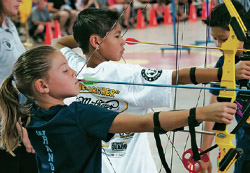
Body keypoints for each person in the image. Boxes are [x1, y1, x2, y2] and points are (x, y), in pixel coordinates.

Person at [52, 8, 250, 173]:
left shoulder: (73, 66)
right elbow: (178, 76)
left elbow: (58, 43)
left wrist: (86, 38)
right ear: (96, 41)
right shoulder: (125, 74)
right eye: (117, 35)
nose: (124, 41)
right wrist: (224, 72)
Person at [0, 45, 240, 172]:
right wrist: (201, 113)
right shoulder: (78, 114)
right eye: (65, 70)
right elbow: (147, 123)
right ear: (42, 86)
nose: (74, 71)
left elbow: (61, 43)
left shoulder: (29, 111)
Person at [200, 1, 250, 173]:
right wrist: (204, 153)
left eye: (224, 39)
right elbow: (213, 110)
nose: (218, 45)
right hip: (246, 145)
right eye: (215, 39)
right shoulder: (224, 64)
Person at [0, 0, 37, 172]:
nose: (21, 0)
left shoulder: (9, 24)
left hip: (17, 114)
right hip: (6, 122)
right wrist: (15, 126)